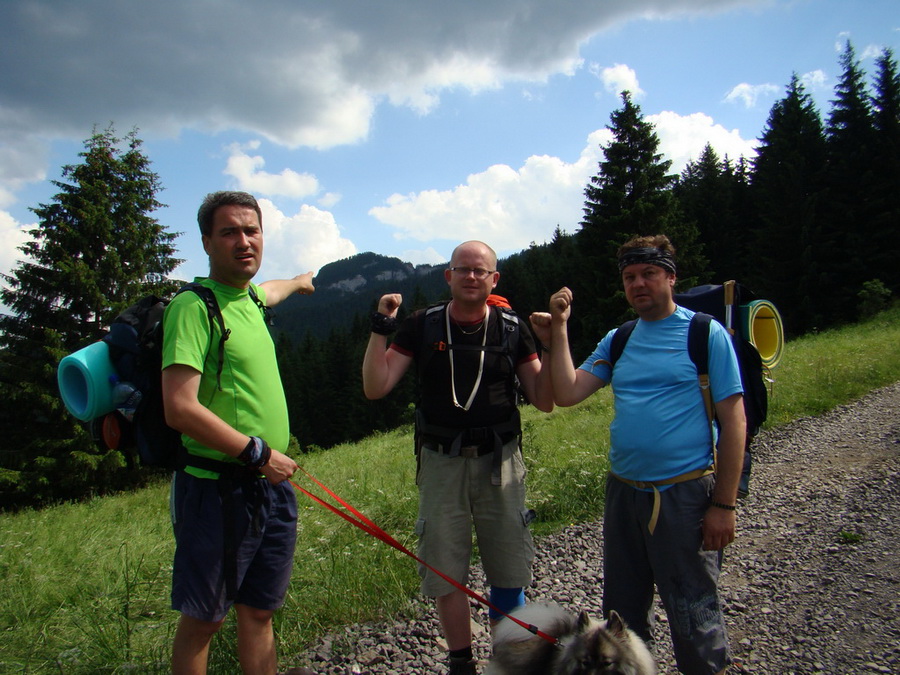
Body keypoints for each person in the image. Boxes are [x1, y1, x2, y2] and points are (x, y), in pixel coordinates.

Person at [533, 234, 745, 675]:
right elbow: (569, 391)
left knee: (692, 610)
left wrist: (724, 505)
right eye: (629, 277)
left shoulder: (704, 334)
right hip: (624, 494)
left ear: (671, 276)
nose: (638, 284)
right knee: (622, 616)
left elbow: (734, 422)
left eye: (649, 273)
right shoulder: (620, 338)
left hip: (685, 495)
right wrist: (559, 330)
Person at [362, 241, 554, 675]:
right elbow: (376, 387)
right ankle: (461, 662)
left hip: (500, 461)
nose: (471, 276)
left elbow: (544, 400)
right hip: (440, 461)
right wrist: (380, 327)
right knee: (446, 568)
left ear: (494, 279)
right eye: (462, 269)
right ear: (447, 276)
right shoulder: (421, 325)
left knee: (508, 566)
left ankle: (509, 662)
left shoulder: (511, 327)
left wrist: (552, 341)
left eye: (479, 270)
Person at [162, 191, 315, 675]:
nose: (244, 241)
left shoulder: (248, 298)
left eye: (252, 230)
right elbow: (179, 408)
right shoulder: (193, 306)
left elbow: (272, 290)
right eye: (229, 232)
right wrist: (258, 453)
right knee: (203, 621)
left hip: (268, 486)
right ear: (207, 242)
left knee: (260, 611)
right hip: (218, 490)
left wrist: (299, 282)